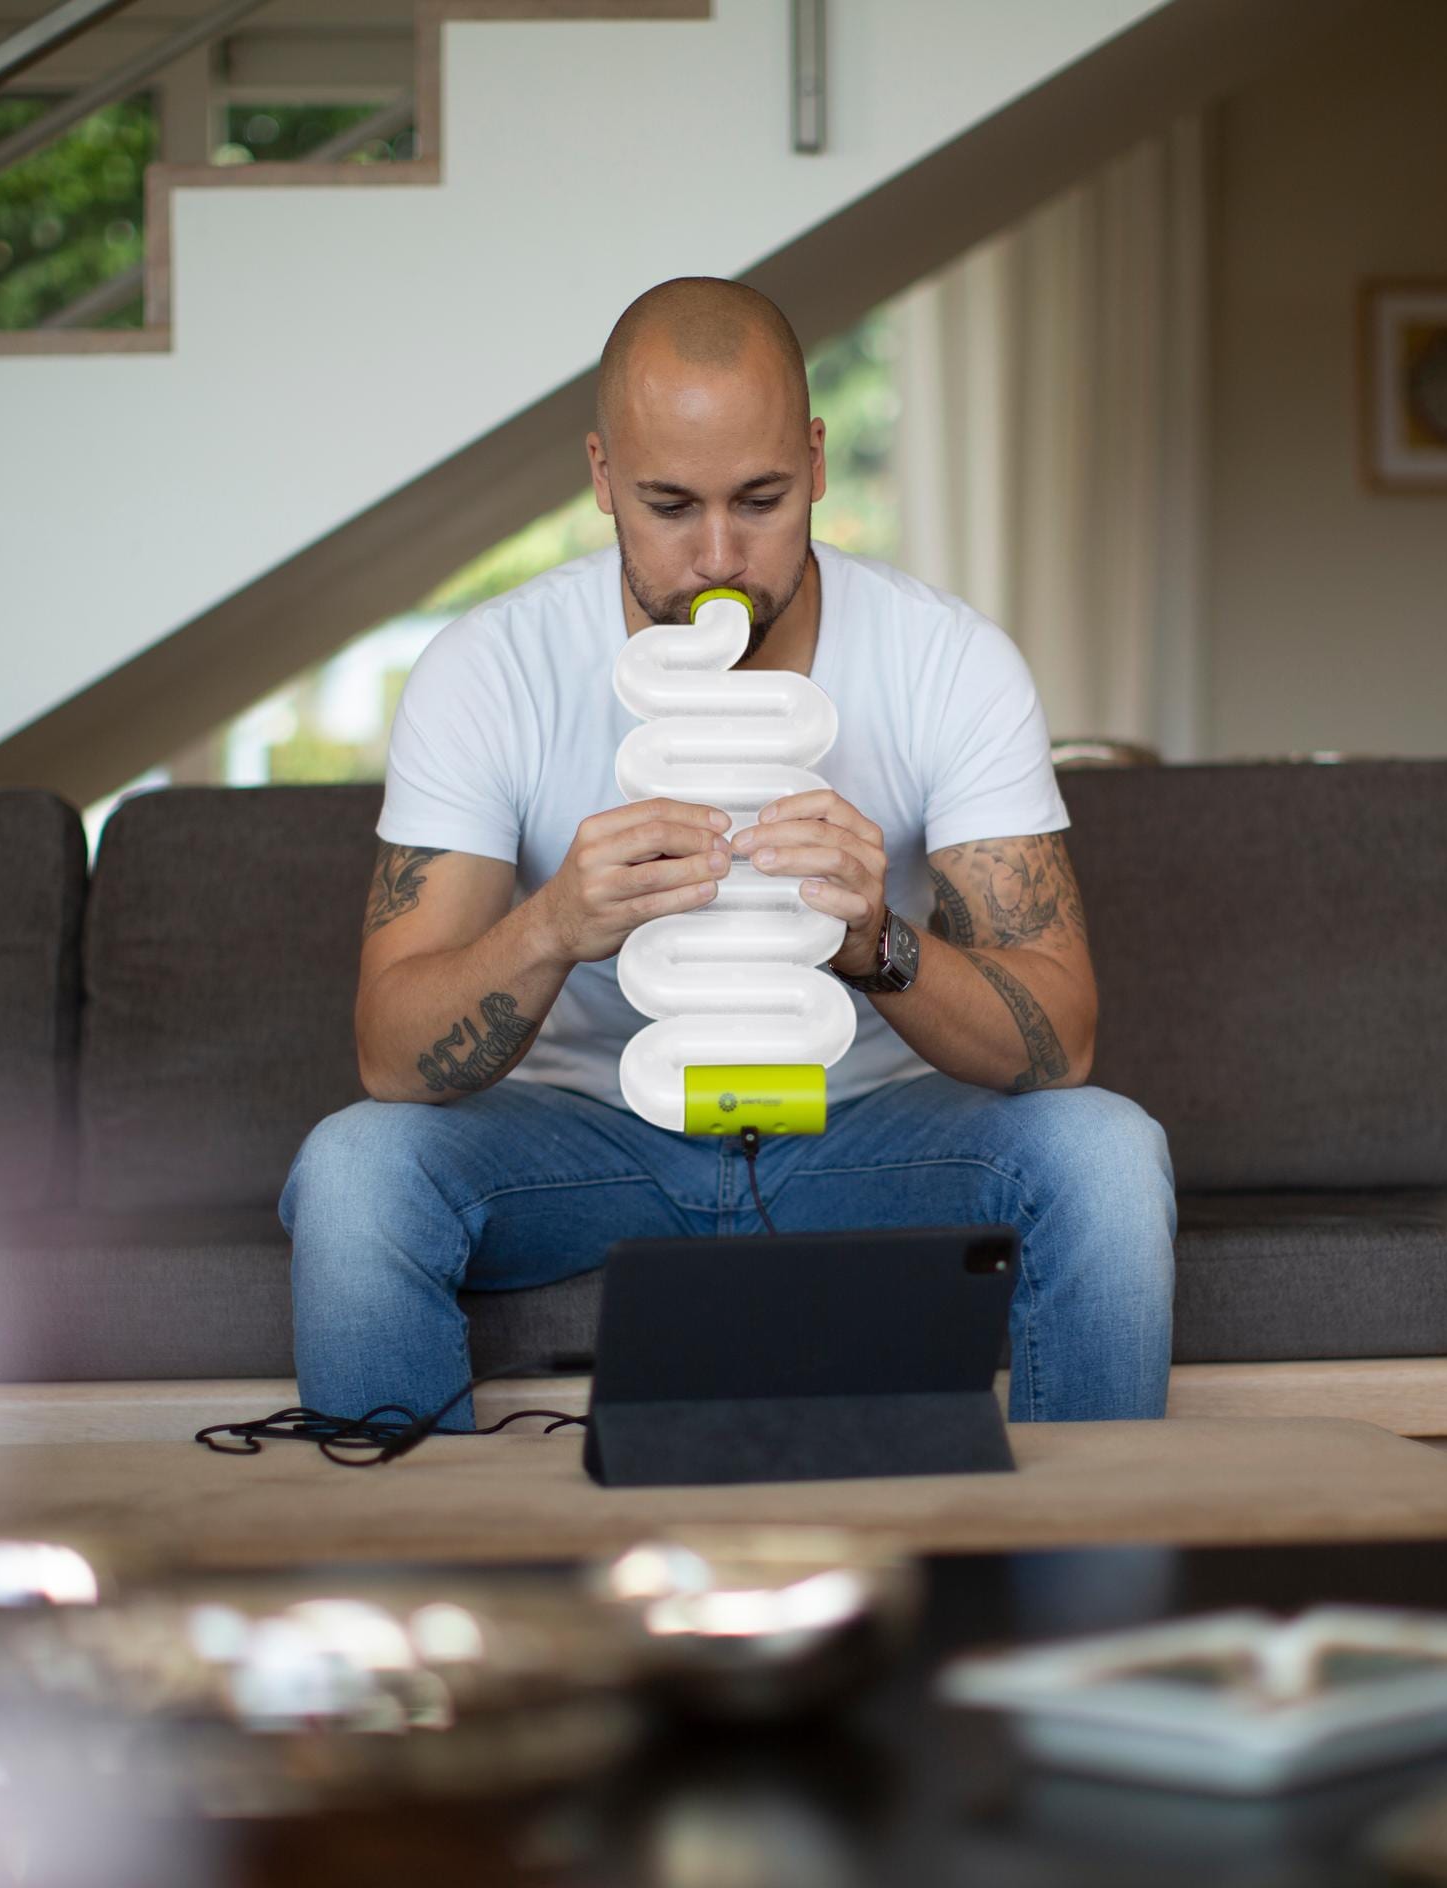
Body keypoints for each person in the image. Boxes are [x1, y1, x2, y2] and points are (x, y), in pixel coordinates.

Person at [282, 277, 1174, 1429]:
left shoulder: (946, 661)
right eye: (668, 505)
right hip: (592, 1140)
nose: (718, 556)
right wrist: (553, 925)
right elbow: (390, 1056)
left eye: (761, 499)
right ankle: (427, 1555)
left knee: (1107, 1153)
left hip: (859, 1131)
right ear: (602, 475)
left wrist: (878, 942)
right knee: (354, 1170)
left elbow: (1065, 1038)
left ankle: (1093, 1548)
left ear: (816, 461)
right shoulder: (490, 670)